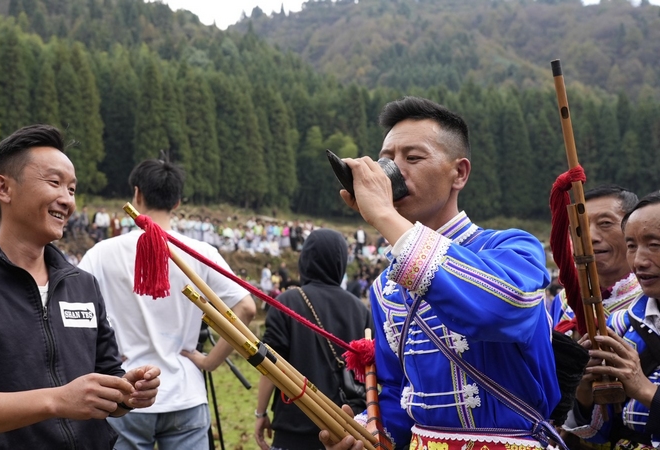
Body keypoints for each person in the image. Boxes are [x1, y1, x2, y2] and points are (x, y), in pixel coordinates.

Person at [319, 97, 559, 450]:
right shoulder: (385, 285)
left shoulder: (514, 249)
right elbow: (401, 392)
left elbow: (503, 307)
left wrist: (385, 217)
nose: (395, 172)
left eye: (413, 158)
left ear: (459, 173)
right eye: (387, 161)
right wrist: (371, 432)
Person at [0, 125, 161, 450]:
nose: (67, 200)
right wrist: (56, 400)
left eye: (72, 189)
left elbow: (106, 374)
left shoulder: (83, 285)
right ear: (4, 188)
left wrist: (126, 392)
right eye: (54, 183)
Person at [78, 158, 255, 450]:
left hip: (125, 389)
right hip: (185, 391)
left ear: (137, 194)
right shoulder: (200, 252)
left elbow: (73, 307)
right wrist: (210, 361)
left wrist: (101, 356)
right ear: (177, 203)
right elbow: (246, 307)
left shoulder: (102, 253)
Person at [255, 228, 373, 450]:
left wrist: (260, 412)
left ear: (305, 260)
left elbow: (269, 364)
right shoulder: (360, 309)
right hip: (346, 430)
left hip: (293, 428)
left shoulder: (287, 302)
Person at [563, 192, 660, 447]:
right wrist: (584, 387)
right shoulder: (621, 325)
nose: (639, 260)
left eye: (655, 245)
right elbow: (598, 434)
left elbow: (642, 391)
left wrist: (644, 390)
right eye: (632, 246)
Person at [549, 185, 641, 329]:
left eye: (605, 223)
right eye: (581, 226)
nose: (590, 237)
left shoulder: (651, 299)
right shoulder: (565, 301)